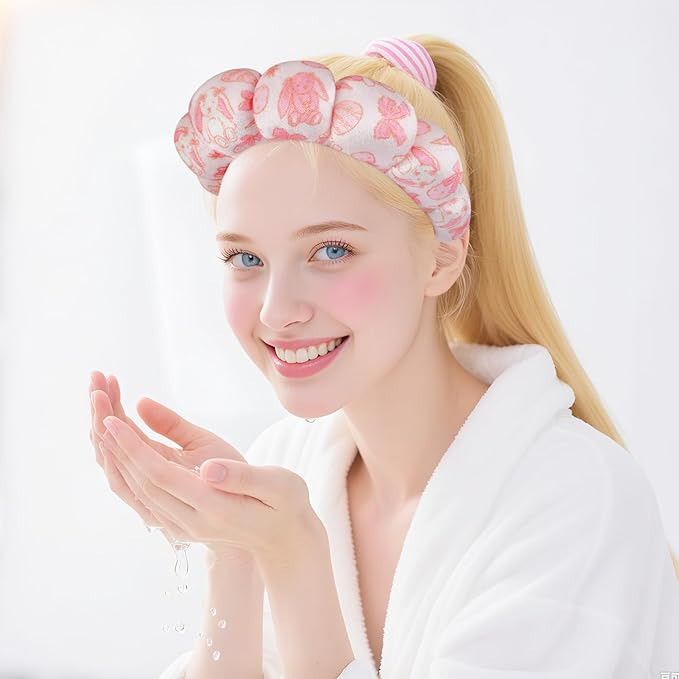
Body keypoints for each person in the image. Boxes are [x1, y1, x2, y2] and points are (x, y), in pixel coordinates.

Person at [90, 35, 679, 678]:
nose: (276, 311)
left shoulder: (575, 501)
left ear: (442, 258)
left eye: (331, 251)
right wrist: (235, 553)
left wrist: (291, 556)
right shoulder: (284, 465)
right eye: (245, 258)